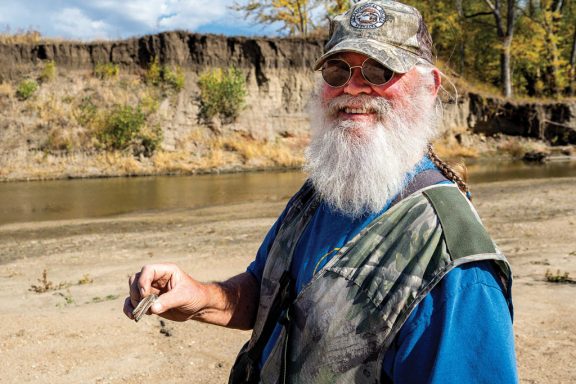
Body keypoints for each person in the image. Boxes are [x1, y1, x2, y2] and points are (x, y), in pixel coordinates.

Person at [124, 0, 518, 382]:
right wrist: (201, 298)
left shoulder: (457, 267)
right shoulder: (323, 192)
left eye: (380, 71)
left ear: (429, 87)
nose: (354, 87)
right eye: (337, 70)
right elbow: (265, 292)